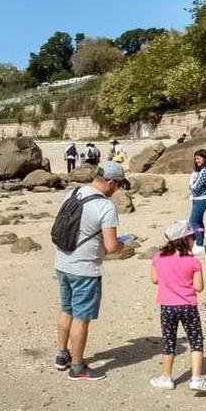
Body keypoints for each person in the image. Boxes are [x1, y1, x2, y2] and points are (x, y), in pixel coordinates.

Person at [53, 161, 126, 381]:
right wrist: (124, 244)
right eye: (119, 185)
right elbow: (112, 246)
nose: (118, 189)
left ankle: (61, 355)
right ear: (111, 182)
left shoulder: (73, 193)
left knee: (66, 309)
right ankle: (77, 367)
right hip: (85, 268)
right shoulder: (105, 206)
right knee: (81, 318)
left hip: (62, 261)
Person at [149, 221, 206, 392]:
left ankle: (166, 377)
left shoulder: (158, 257)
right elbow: (199, 287)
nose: (194, 239)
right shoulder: (193, 262)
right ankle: (196, 379)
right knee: (196, 341)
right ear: (185, 240)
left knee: (169, 340)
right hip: (188, 306)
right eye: (192, 237)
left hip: (167, 306)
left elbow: (155, 279)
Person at [188, 150, 206, 256]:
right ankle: (198, 242)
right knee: (198, 222)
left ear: (205, 158)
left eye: (199, 158)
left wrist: (191, 187)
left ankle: (199, 245)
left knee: (193, 221)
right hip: (199, 199)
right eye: (195, 158)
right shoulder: (204, 169)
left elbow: (197, 186)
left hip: (202, 199)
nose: (197, 160)